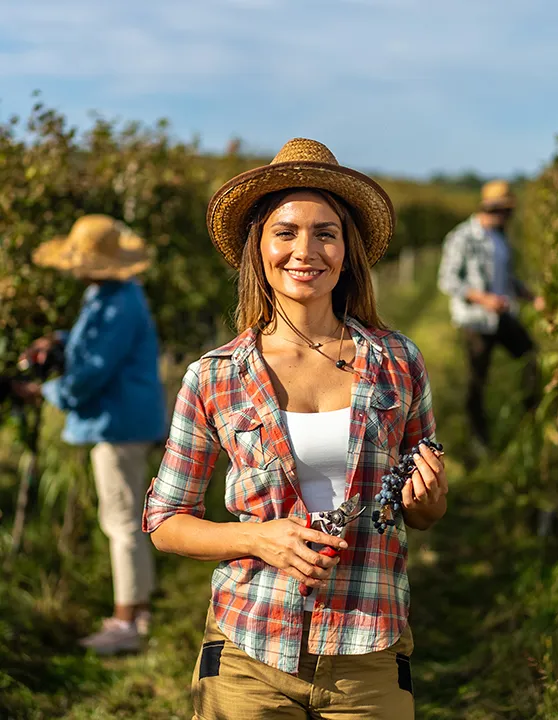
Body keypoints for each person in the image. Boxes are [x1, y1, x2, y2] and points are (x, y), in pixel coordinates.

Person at [144, 139, 448, 719]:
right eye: (285, 232)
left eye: (325, 233)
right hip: (249, 649)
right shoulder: (215, 376)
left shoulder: (398, 361)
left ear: (346, 249)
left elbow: (424, 515)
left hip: (368, 646)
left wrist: (429, 497)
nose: (305, 250)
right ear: (258, 248)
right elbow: (164, 523)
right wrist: (258, 539)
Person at [13, 215, 166, 655]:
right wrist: (58, 339)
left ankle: (125, 623)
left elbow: (91, 373)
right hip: (124, 419)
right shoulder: (109, 293)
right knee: (129, 515)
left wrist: (45, 390)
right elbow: (89, 345)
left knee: (119, 521)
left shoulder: (118, 302)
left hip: (117, 423)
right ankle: (139, 608)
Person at [438, 180, 544, 455]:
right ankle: (479, 440)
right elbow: (448, 280)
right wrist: (484, 299)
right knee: (477, 381)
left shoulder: (500, 238)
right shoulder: (462, 237)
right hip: (477, 321)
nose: (508, 217)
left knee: (530, 356)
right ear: (492, 208)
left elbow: (506, 278)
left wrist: (531, 297)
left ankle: (530, 418)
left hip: (502, 315)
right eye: (505, 211)